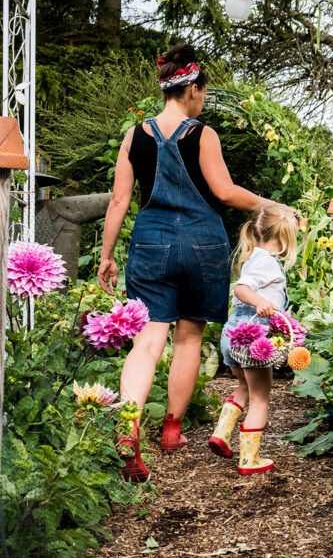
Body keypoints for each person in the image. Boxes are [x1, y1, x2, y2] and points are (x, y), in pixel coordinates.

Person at [98, 43, 279, 481]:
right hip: (203, 245)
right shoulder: (203, 134)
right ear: (193, 89)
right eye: (202, 90)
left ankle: (128, 427)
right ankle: (172, 430)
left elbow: (120, 198)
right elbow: (224, 192)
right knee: (188, 337)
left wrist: (106, 256)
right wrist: (271, 204)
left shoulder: (135, 134)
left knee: (147, 340)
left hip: (150, 244)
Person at [209, 204, 297, 475]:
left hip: (233, 336)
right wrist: (260, 301)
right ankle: (249, 459)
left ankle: (222, 435)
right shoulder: (266, 262)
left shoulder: (253, 257)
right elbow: (242, 288)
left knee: (243, 386)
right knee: (260, 398)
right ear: (284, 237)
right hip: (251, 338)